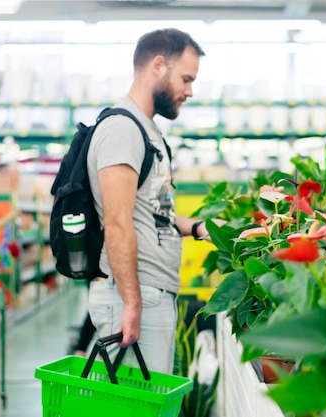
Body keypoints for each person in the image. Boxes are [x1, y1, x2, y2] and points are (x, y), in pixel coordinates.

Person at [86, 28, 217, 374]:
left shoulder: (148, 131)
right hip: (132, 295)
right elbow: (116, 222)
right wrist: (132, 303)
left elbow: (154, 213)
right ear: (158, 65)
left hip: (150, 294)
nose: (189, 91)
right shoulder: (122, 130)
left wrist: (202, 228)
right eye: (186, 79)